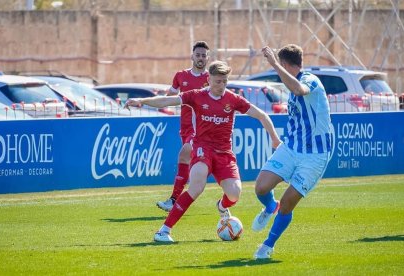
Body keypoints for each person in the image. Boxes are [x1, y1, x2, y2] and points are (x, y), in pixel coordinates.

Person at [125, 60, 281, 243]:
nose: (221, 86)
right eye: (217, 81)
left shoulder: (233, 99)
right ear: (209, 79)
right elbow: (169, 100)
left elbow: (262, 115)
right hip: (202, 148)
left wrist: (275, 139)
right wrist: (142, 101)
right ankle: (163, 231)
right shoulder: (197, 95)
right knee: (197, 186)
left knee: (234, 194)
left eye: (224, 81)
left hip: (224, 152)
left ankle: (222, 207)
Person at [251, 44, 332, 259]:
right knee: (261, 187)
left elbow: (299, 90)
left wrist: (274, 65)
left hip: (315, 154)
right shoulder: (291, 81)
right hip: (291, 147)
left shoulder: (311, 80)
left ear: (286, 64)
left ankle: (267, 245)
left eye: (281, 65)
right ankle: (269, 207)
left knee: (287, 203)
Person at [156, 41, 210, 212]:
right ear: (192, 56)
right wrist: (159, 99)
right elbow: (171, 95)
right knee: (194, 163)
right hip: (185, 127)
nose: (200, 58)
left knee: (184, 156)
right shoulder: (181, 76)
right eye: (198, 55)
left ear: (207, 58)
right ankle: (225, 201)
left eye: (203, 55)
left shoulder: (210, 78)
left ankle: (174, 200)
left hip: (201, 128)